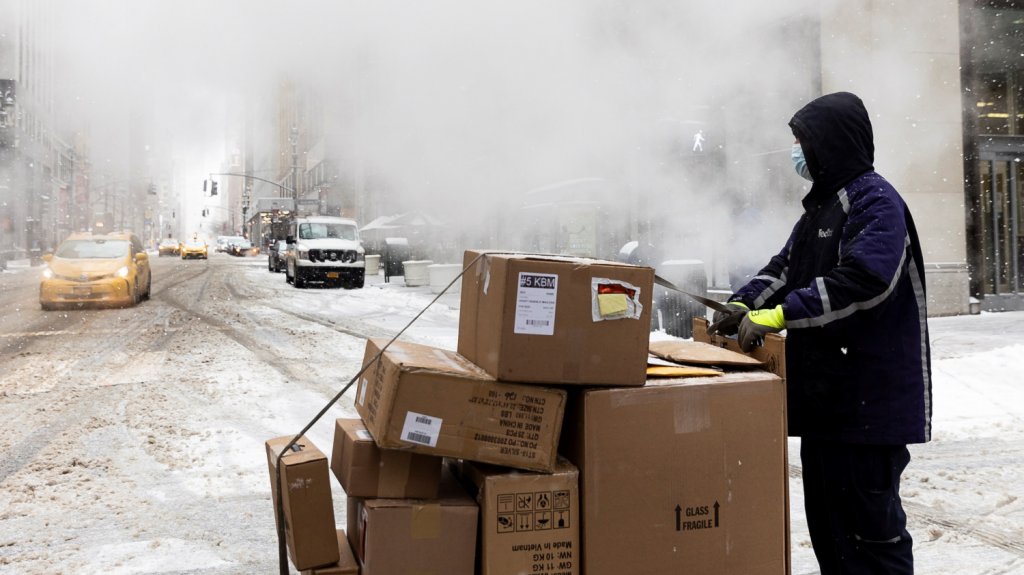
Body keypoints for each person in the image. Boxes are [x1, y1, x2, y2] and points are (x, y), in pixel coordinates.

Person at [708, 91, 931, 574]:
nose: (796, 151)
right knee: (832, 538)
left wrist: (780, 315)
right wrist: (745, 302)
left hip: (870, 411)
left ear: (827, 143)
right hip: (829, 408)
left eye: (800, 140)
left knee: (872, 538)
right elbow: (785, 268)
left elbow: (865, 281)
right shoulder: (821, 209)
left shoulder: (875, 201)